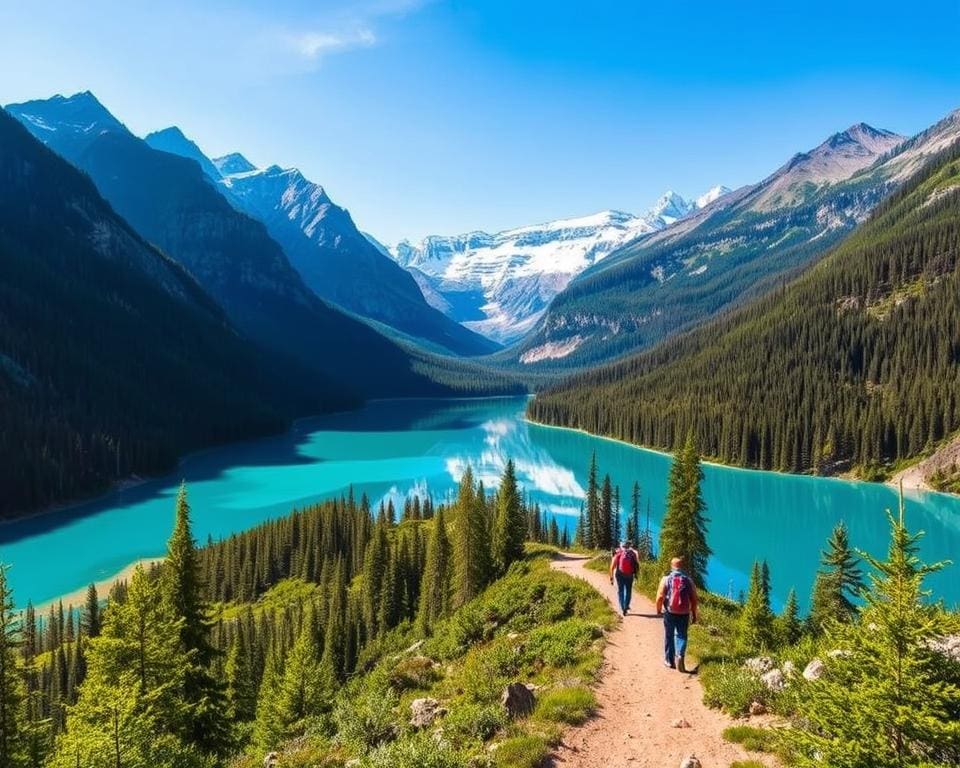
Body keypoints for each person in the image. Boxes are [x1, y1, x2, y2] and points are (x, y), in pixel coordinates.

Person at [655, 556, 698, 672]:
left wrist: (658, 610)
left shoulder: (666, 579)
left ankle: (669, 661)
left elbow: (659, 597)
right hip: (684, 613)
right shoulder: (688, 580)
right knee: (682, 635)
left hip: (670, 611)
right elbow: (694, 599)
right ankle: (680, 654)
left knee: (669, 635)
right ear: (682, 567)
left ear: (672, 566)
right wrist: (694, 614)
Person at [609, 540, 639, 616]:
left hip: (619, 575)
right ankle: (626, 606)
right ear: (628, 546)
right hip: (629, 575)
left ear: (622, 546)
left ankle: (622, 608)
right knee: (628, 591)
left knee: (620, 591)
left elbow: (612, 567)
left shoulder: (618, 554)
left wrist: (611, 577)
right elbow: (636, 565)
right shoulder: (633, 554)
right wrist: (636, 575)